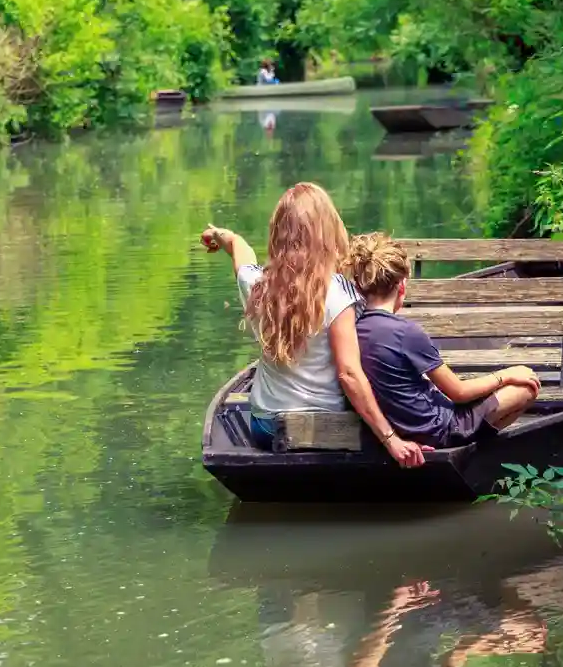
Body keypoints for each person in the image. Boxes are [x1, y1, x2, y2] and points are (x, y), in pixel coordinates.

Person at [202, 184, 432, 468]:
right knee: (408, 415)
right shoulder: (339, 292)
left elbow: (241, 253)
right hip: (326, 428)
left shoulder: (258, 284)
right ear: (327, 231)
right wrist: (391, 439)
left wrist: (222, 236)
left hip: (264, 428)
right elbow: (349, 374)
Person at [342, 231, 541, 447]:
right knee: (526, 387)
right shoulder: (406, 332)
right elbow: (459, 392)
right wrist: (507, 375)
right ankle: (475, 451)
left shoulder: (352, 328)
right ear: (401, 286)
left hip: (399, 428)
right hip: (441, 429)